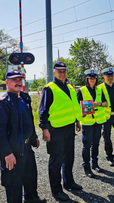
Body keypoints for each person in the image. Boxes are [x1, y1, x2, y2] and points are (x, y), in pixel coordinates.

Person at [0, 69, 46, 203]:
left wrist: (34, 137)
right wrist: (7, 153)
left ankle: (31, 198)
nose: (18, 82)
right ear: (7, 82)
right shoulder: (3, 103)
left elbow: (29, 119)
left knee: (30, 176)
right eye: (14, 80)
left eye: (20, 79)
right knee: (13, 185)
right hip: (13, 152)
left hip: (26, 148)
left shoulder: (24, 98)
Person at [38, 61, 82, 202]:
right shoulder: (49, 88)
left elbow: (73, 106)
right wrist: (45, 129)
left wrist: (77, 121)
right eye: (59, 71)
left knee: (69, 157)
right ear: (54, 72)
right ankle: (56, 191)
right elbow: (43, 111)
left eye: (64, 71)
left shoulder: (69, 87)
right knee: (56, 160)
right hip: (55, 130)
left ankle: (68, 182)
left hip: (69, 127)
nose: (62, 73)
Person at [77, 69, 108, 178]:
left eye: (94, 78)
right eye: (90, 78)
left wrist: (98, 104)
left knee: (96, 144)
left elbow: (105, 103)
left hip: (98, 121)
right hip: (87, 122)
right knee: (87, 145)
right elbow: (77, 107)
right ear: (87, 79)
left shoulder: (99, 90)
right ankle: (87, 167)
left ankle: (95, 164)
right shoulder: (81, 90)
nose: (92, 80)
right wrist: (80, 116)